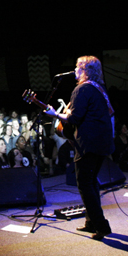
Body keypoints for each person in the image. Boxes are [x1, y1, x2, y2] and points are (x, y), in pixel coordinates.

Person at [43, 55, 114, 241]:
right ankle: (91, 222)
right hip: (102, 143)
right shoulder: (99, 89)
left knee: (84, 184)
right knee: (91, 183)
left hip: (88, 144)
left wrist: (54, 114)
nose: (74, 70)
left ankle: (101, 226)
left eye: (77, 66)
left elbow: (73, 118)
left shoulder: (81, 89)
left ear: (85, 70)